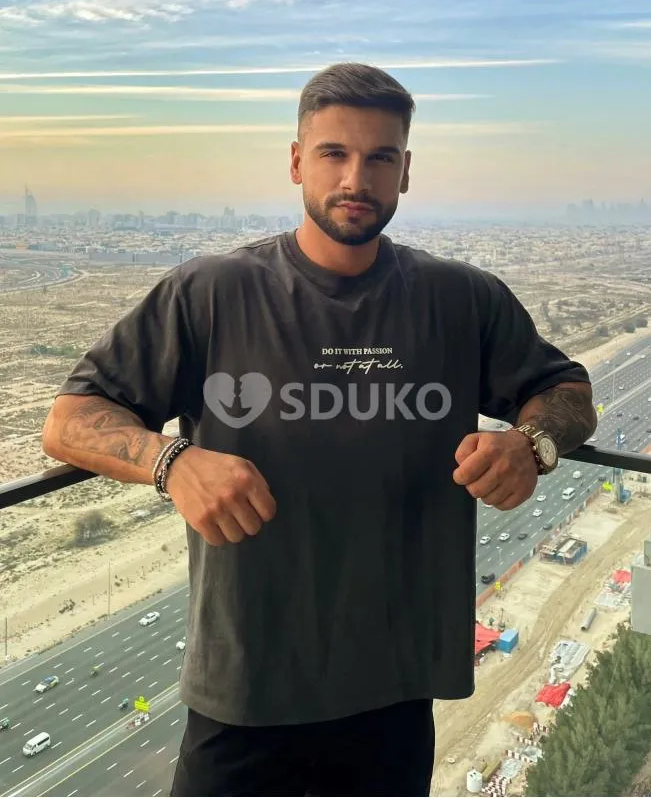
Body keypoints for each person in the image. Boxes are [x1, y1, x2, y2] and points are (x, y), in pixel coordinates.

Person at [41, 62, 597, 796]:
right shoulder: (212, 292)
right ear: (297, 161)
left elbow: (567, 393)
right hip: (245, 689)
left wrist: (531, 445)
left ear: (405, 172)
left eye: (380, 158)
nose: (355, 179)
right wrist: (173, 461)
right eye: (334, 153)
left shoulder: (460, 298)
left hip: (395, 690)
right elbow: (71, 420)